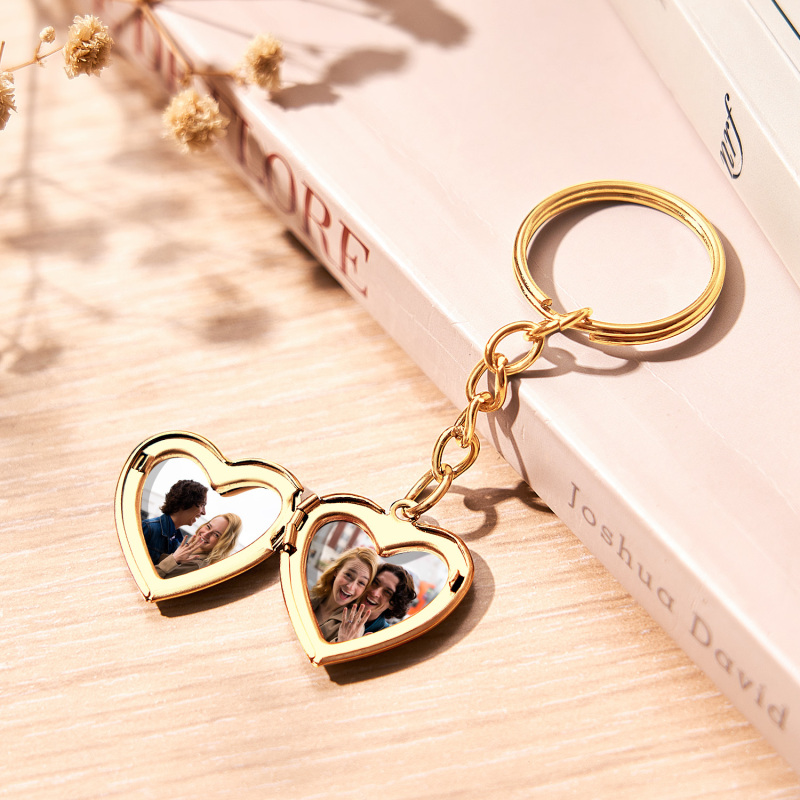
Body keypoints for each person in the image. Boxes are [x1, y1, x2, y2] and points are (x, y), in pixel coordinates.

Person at [309, 547, 379, 643]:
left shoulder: (354, 627)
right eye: (348, 575)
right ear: (336, 571)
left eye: (361, 583)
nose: (351, 587)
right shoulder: (309, 595)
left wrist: (343, 642)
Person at [338, 563, 417, 642]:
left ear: (393, 604)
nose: (375, 593)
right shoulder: (339, 601)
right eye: (375, 583)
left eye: (387, 592)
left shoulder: (384, 639)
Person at [154, 513, 242, 578]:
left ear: (223, 544)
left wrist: (174, 560)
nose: (206, 534)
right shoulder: (187, 552)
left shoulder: (195, 565)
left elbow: (152, 583)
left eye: (216, 535)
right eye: (208, 526)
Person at [142, 479, 207, 563]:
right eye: (202, 505)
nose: (204, 512)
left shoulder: (177, 541)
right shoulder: (147, 528)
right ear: (187, 501)